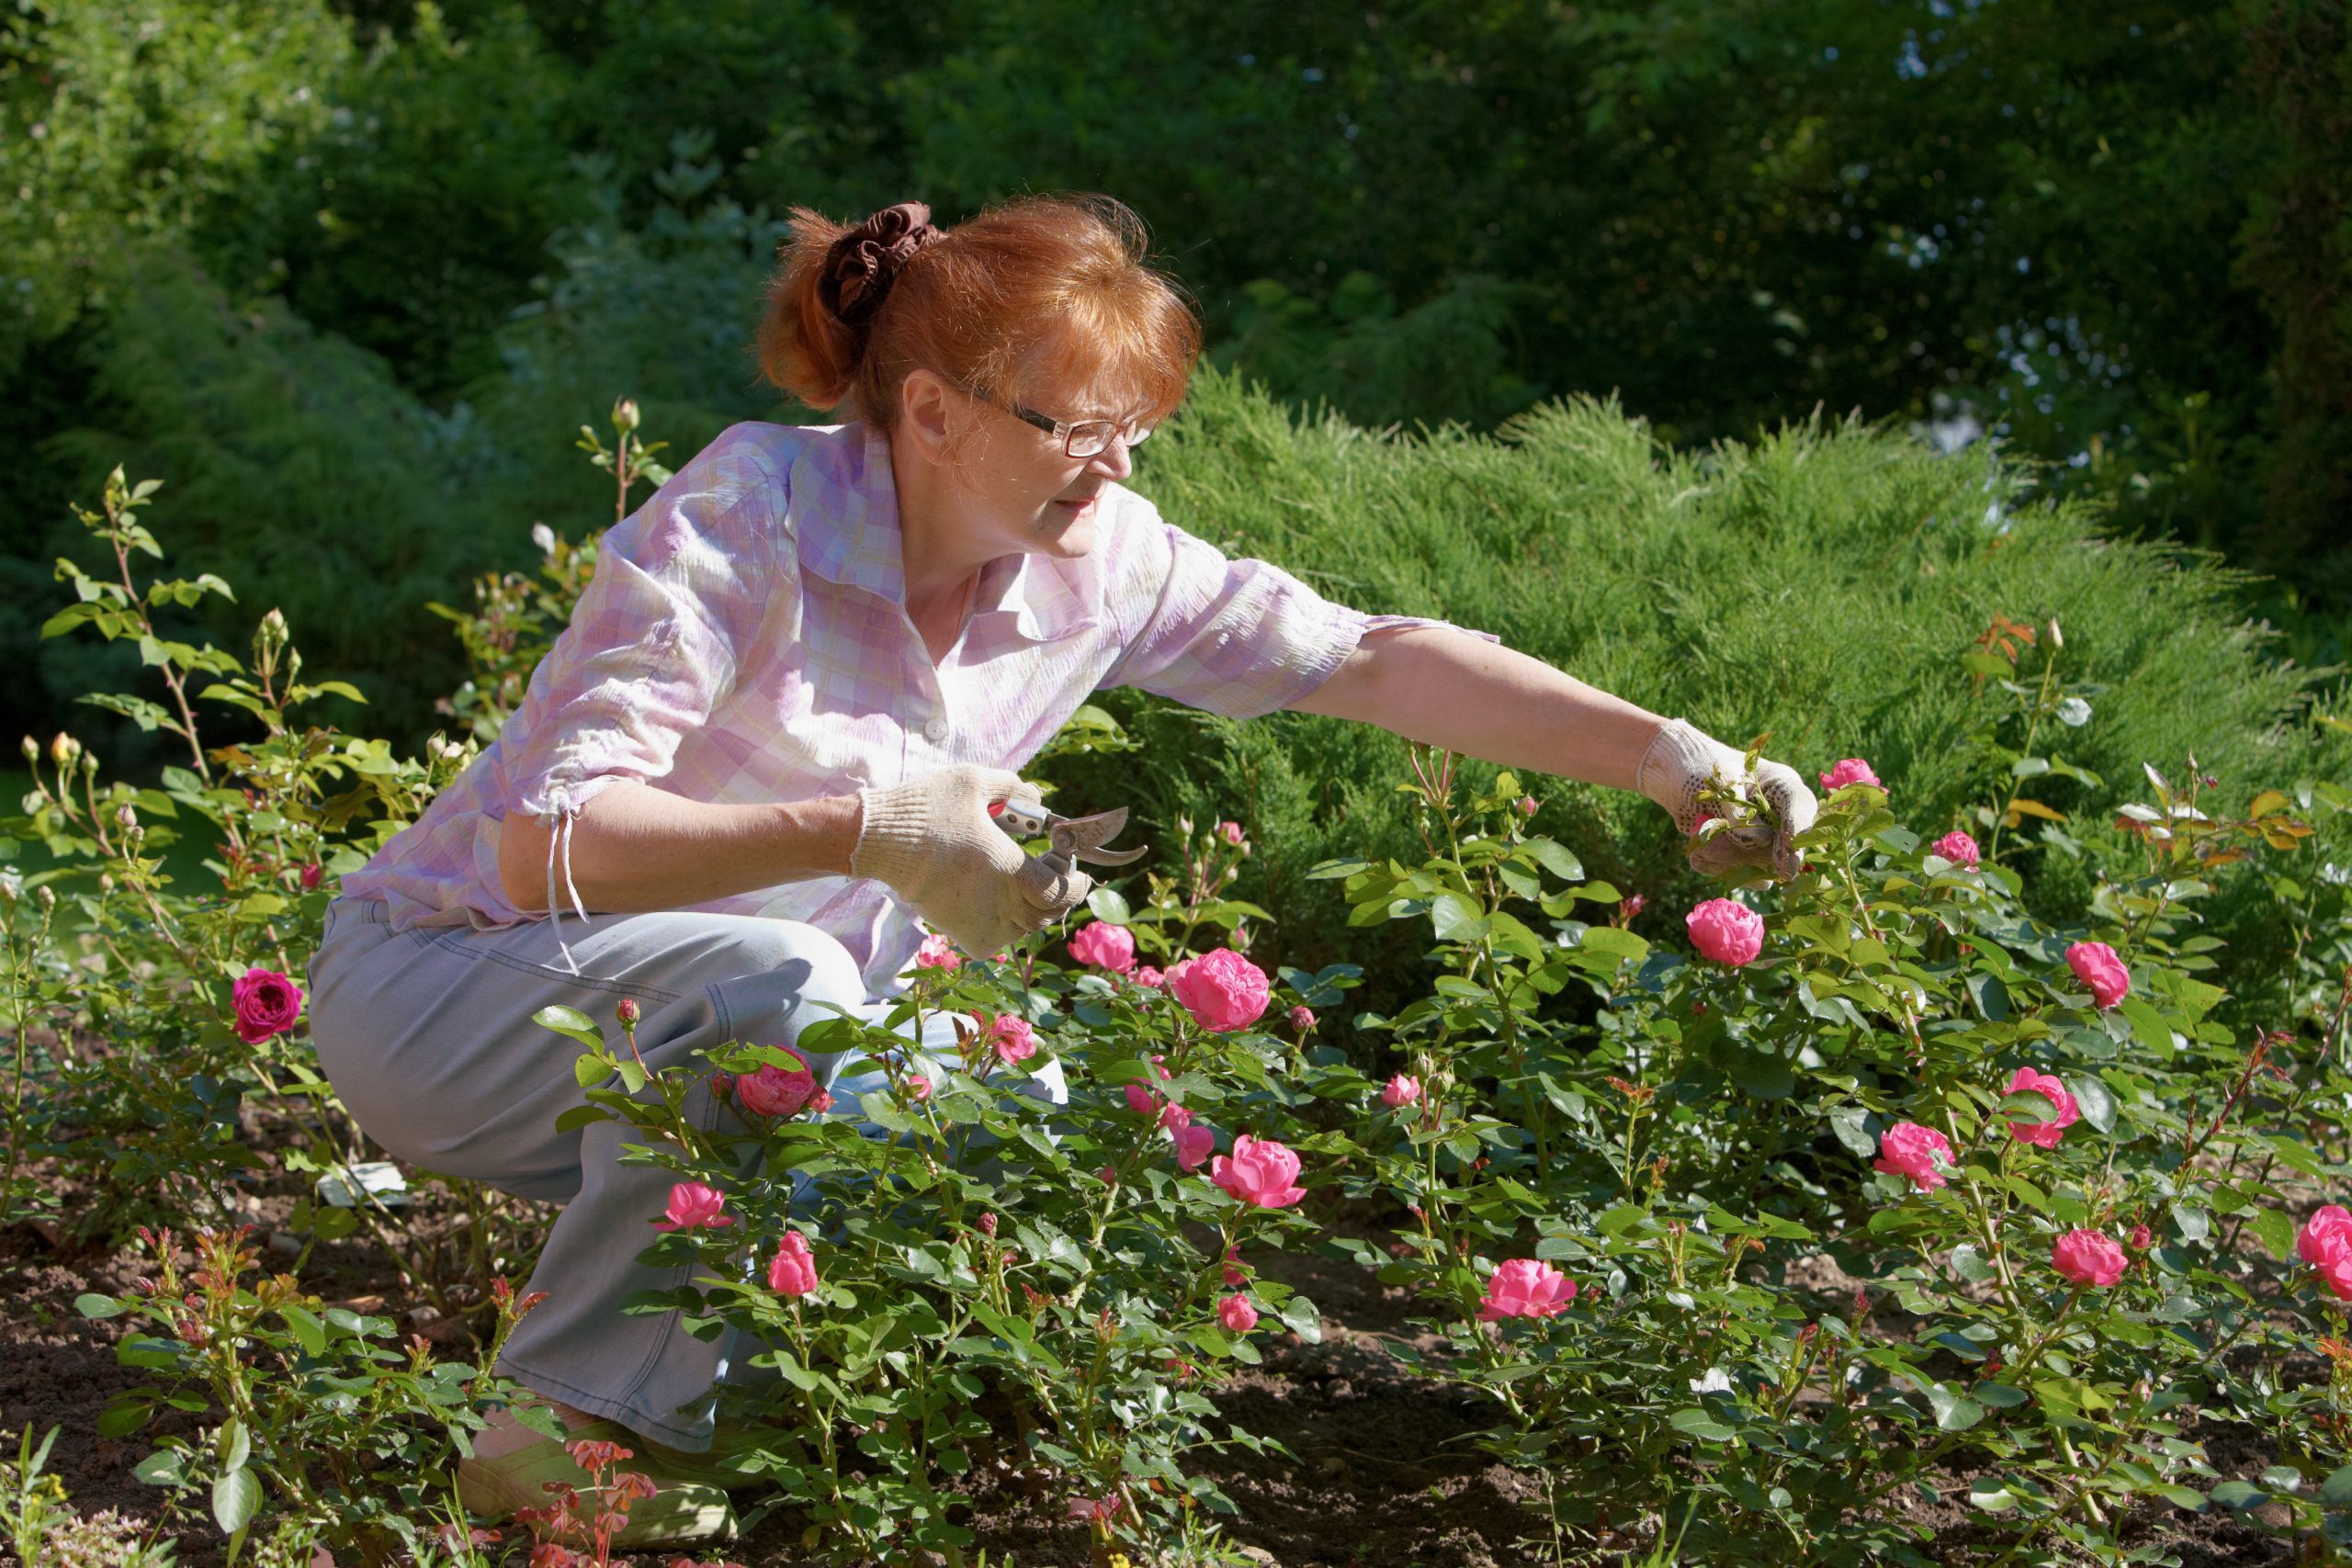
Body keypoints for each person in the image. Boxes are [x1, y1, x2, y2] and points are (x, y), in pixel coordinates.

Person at [306, 193, 1818, 1544]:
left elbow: (1365, 659)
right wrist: (873, 827)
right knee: (790, 982)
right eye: (1073, 428)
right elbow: (547, 841)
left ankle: (819, 1423)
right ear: (933, 410)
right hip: (452, 989)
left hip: (704, 1043)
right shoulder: (746, 516)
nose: (1108, 472)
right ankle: (550, 1437)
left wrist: (1668, 758)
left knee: (1031, 1102)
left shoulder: (1102, 562)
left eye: (1134, 434)